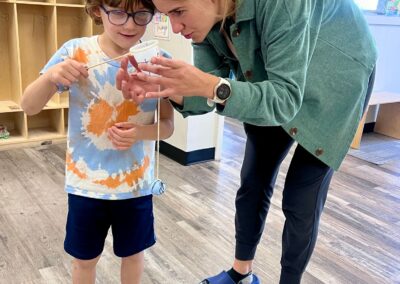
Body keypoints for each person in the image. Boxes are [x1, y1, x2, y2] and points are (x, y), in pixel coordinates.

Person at [117, 0, 378, 283]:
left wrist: (208, 85)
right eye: (166, 15)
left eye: (179, 12)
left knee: (301, 199)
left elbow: (281, 98)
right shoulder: (204, 24)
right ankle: (241, 274)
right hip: (277, 80)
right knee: (253, 180)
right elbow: (210, 89)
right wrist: (166, 88)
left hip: (337, 74)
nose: (175, 27)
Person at [20, 0, 174, 282]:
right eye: (117, 13)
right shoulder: (75, 52)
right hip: (86, 186)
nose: (129, 24)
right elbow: (28, 106)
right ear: (96, 11)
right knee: (84, 261)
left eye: (141, 15)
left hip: (136, 186)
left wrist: (138, 133)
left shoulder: (157, 60)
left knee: (134, 256)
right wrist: (51, 77)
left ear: (153, 15)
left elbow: (166, 127)